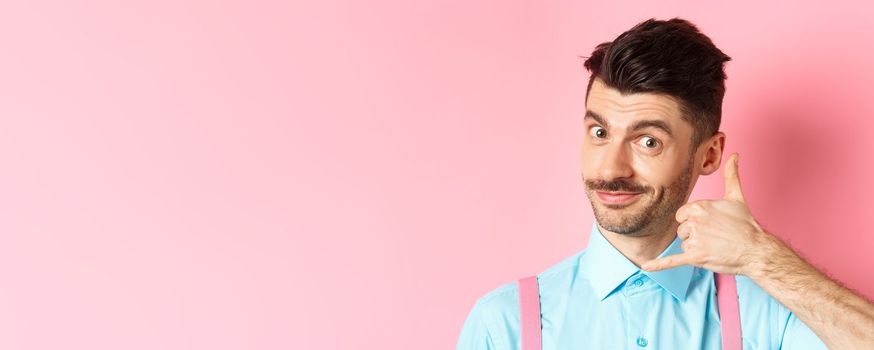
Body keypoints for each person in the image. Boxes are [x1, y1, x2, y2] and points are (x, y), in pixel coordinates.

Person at [456, 17, 874, 349]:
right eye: (599, 133)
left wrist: (761, 257)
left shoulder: (766, 314)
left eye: (648, 141)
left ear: (708, 155)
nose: (611, 168)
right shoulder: (504, 324)